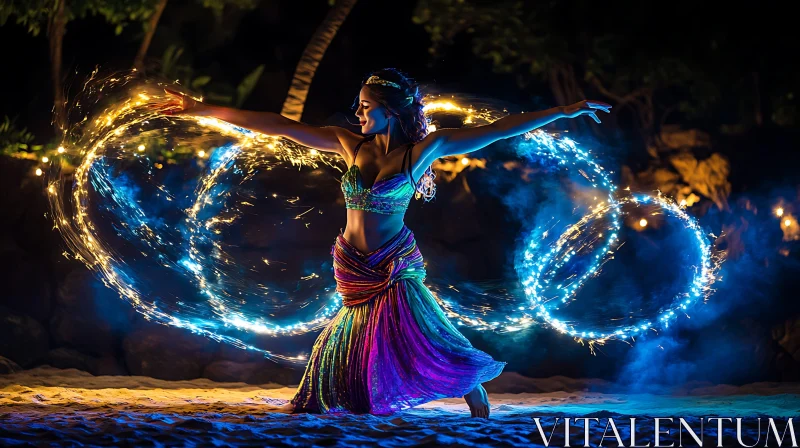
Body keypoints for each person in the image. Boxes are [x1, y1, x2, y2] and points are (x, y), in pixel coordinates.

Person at [160, 68, 610, 418]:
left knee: (420, 331)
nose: (357, 114)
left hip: (392, 262)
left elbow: (500, 129)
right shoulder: (348, 144)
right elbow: (276, 125)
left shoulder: (424, 150)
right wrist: (201, 108)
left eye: (365, 106)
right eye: (357, 106)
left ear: (391, 110)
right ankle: (349, 396)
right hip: (351, 262)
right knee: (355, 333)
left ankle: (471, 386)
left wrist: (564, 111)